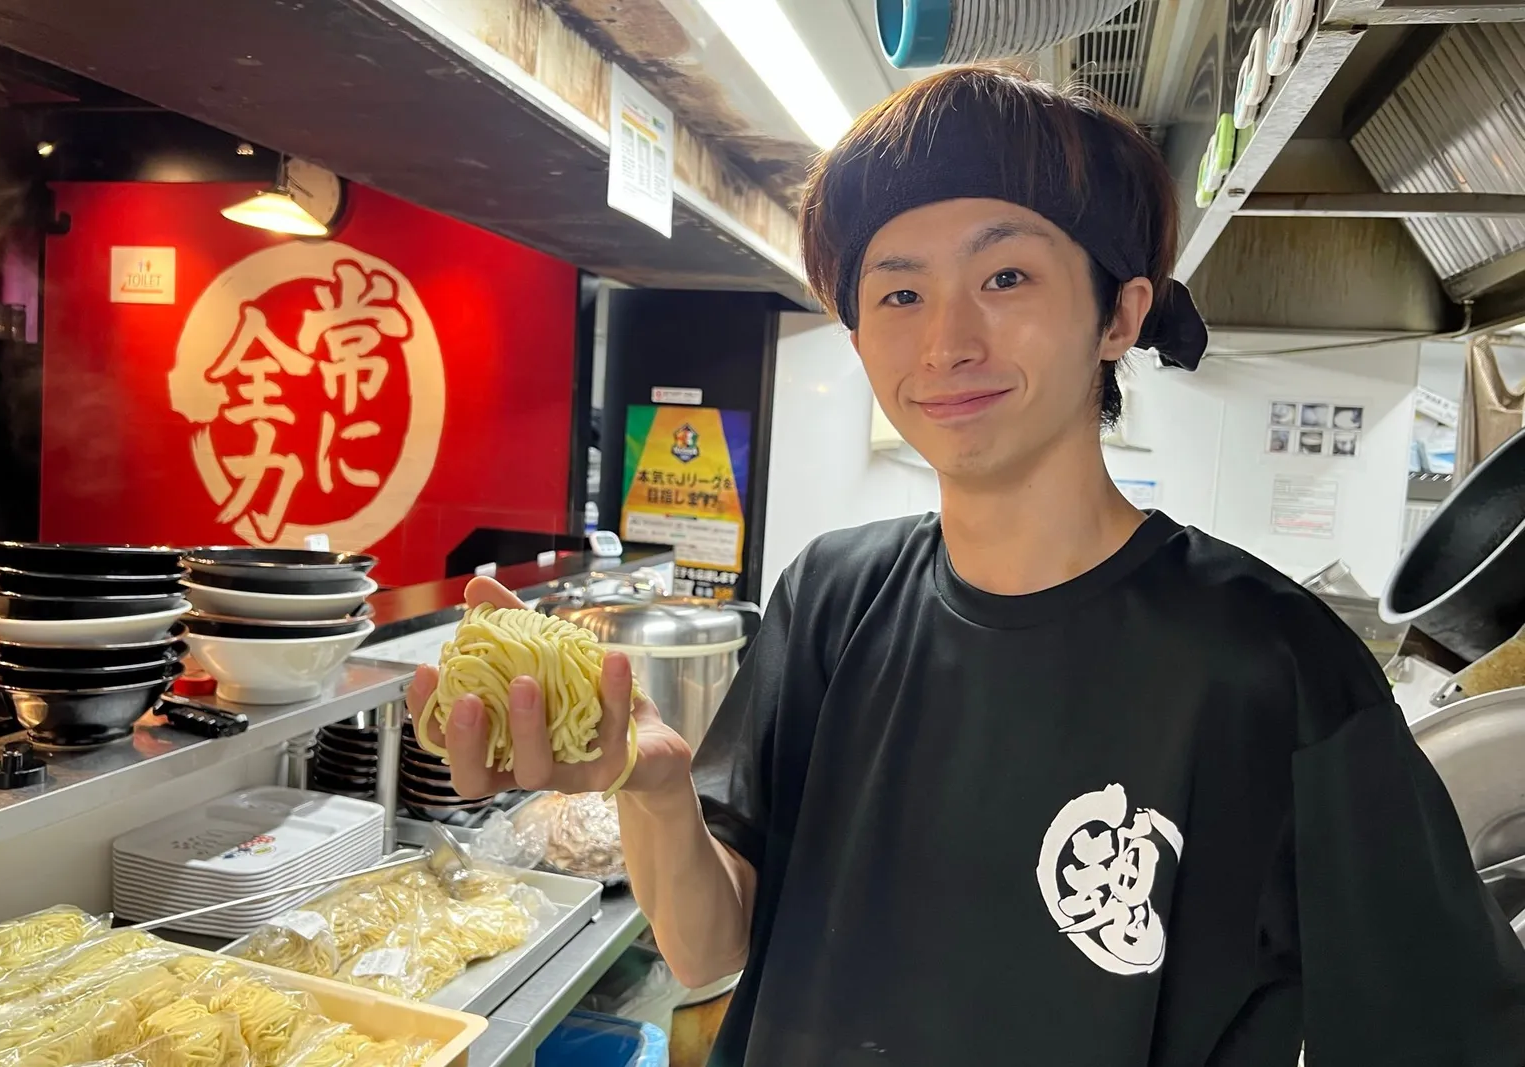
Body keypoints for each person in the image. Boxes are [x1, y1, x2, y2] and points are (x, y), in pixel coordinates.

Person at [410, 65, 1525, 1065]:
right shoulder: (830, 597)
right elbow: (710, 948)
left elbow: (1443, 1025)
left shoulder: (1272, 663)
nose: (944, 341)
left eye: (1005, 279)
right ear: (858, 333)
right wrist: (652, 788)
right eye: (897, 291)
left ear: (1118, 315)